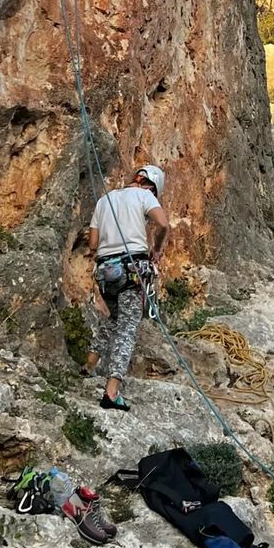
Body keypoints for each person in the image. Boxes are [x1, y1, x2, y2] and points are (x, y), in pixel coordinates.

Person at [84, 164, 169, 411]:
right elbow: (163, 224)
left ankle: (89, 364)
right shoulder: (144, 196)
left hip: (105, 271)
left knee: (113, 319)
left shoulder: (104, 200)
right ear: (152, 187)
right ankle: (111, 392)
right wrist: (156, 249)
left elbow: (92, 243)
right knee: (128, 328)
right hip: (132, 268)